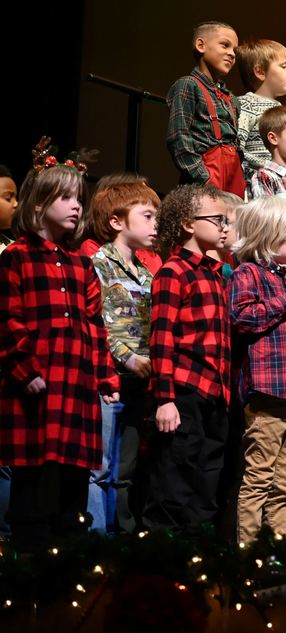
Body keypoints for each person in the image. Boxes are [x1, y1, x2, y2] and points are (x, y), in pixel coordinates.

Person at [0, 165, 119, 549]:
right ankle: (28, 567)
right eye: (66, 198)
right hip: (36, 391)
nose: (76, 206)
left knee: (72, 491)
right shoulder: (17, 258)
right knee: (33, 488)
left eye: (79, 199)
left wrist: (105, 377)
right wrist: (24, 369)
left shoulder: (80, 264)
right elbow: (8, 320)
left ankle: (69, 565)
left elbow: (95, 325)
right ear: (39, 203)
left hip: (76, 390)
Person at [228, 197, 286, 543]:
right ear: (270, 238)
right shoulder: (248, 274)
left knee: (285, 480)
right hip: (266, 393)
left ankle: (277, 548)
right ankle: (249, 550)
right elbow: (241, 317)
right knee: (259, 476)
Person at [144, 184, 231, 531]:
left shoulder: (214, 275)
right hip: (184, 393)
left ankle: (198, 556)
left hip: (215, 394)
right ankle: (163, 558)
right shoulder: (173, 272)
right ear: (188, 224)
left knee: (206, 489)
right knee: (173, 485)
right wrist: (165, 398)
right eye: (218, 219)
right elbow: (162, 339)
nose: (224, 227)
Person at [89, 180, 161, 534]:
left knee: (126, 468)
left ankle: (121, 537)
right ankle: (95, 540)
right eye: (146, 216)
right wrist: (127, 358)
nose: (154, 224)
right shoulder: (99, 265)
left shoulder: (146, 274)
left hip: (138, 382)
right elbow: (96, 323)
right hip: (108, 381)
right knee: (101, 466)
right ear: (117, 221)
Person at [166, 21, 244, 196]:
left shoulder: (231, 99)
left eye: (235, 50)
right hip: (204, 180)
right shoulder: (188, 85)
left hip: (233, 178)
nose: (232, 54)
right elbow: (178, 136)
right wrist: (204, 178)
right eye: (225, 45)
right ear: (201, 45)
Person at [235, 39, 286, 181]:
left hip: (281, 184)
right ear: (260, 72)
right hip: (256, 185)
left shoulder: (282, 110)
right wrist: (269, 167)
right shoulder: (246, 104)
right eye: (284, 66)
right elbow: (236, 149)